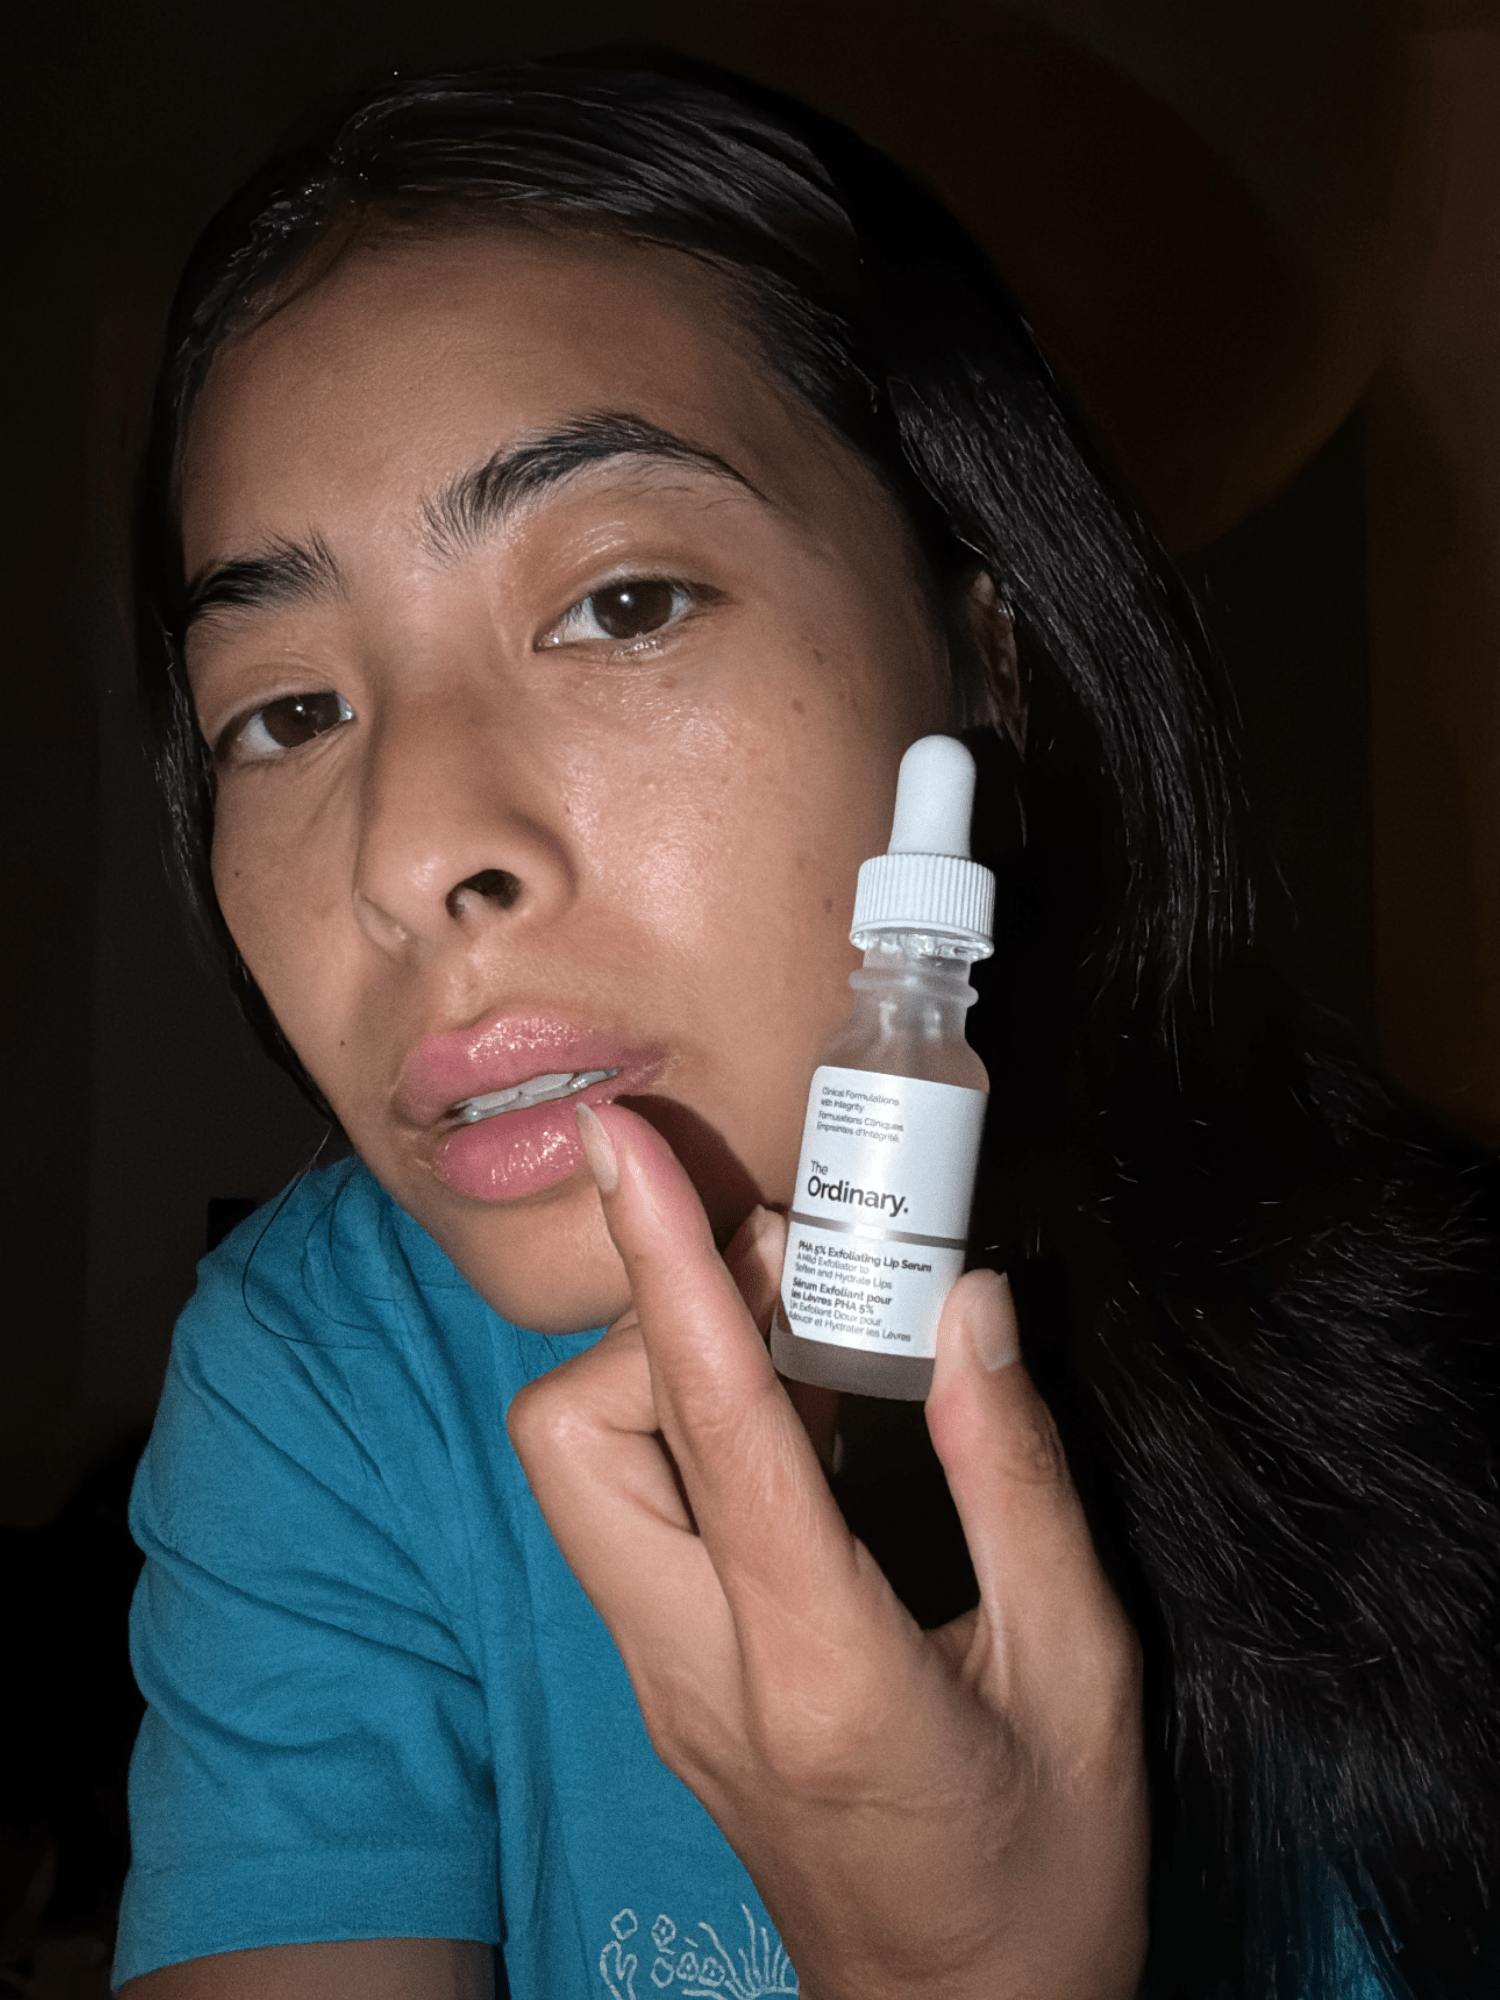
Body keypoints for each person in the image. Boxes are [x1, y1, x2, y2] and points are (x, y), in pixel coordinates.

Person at [114, 56, 1499, 2000]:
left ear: (985, 653)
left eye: (621, 603)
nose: (409, 853)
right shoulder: (330, 1377)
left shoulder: (1446, 1347)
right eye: (286, 711)